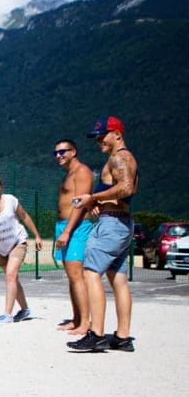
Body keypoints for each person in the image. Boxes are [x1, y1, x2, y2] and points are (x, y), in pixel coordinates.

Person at [67, 116, 139, 352]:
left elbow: (127, 187)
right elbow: (121, 192)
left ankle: (96, 334)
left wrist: (93, 198)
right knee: (118, 279)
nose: (99, 139)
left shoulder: (120, 157)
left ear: (117, 133)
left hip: (111, 225)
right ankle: (123, 336)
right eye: (96, 136)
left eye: (103, 134)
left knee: (90, 273)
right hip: (121, 222)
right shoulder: (121, 157)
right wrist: (100, 201)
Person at [0, 173, 44, 323]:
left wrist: (37, 235)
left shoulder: (10, 200)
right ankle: (25, 309)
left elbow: (25, 216)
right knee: (12, 279)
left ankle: (7, 314)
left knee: (10, 276)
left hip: (18, 241)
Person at [53, 139, 95, 334]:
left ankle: (85, 323)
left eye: (63, 151)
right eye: (56, 153)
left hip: (76, 227)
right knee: (71, 276)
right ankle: (77, 318)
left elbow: (79, 204)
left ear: (74, 151)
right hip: (64, 225)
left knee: (77, 275)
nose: (59, 155)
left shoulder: (82, 171)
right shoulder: (68, 174)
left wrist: (68, 231)